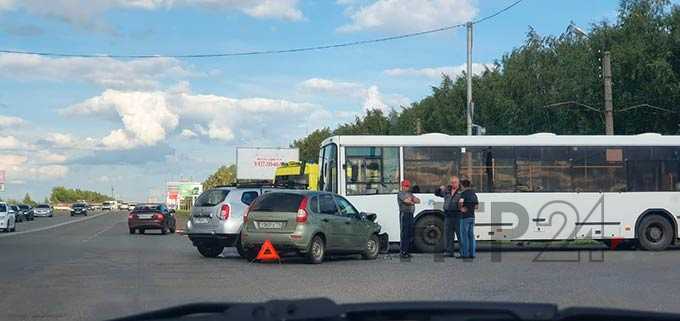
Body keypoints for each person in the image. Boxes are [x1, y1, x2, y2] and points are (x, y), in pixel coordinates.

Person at [434, 176, 462, 257]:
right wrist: (440, 188)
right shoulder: (447, 191)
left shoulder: (461, 191)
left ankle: (463, 251)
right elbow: (436, 193)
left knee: (460, 235)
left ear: (458, 182)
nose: (454, 184)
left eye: (455, 182)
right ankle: (449, 251)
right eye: (452, 182)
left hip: (458, 215)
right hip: (448, 215)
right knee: (448, 235)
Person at [397, 179, 420, 258]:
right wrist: (412, 201)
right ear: (402, 186)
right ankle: (403, 252)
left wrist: (412, 200)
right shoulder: (400, 193)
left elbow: (418, 200)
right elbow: (407, 201)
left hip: (410, 214)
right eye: (406, 186)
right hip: (404, 214)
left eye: (408, 186)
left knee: (410, 233)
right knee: (404, 233)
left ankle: (407, 251)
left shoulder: (410, 193)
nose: (407, 188)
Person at [458, 179, 478, 259]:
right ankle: (472, 254)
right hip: (472, 216)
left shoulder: (464, 193)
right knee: (471, 236)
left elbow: (460, 202)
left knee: (464, 236)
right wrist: (471, 209)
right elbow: (476, 206)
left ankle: (465, 254)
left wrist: (461, 208)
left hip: (465, 217)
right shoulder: (473, 194)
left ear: (463, 186)